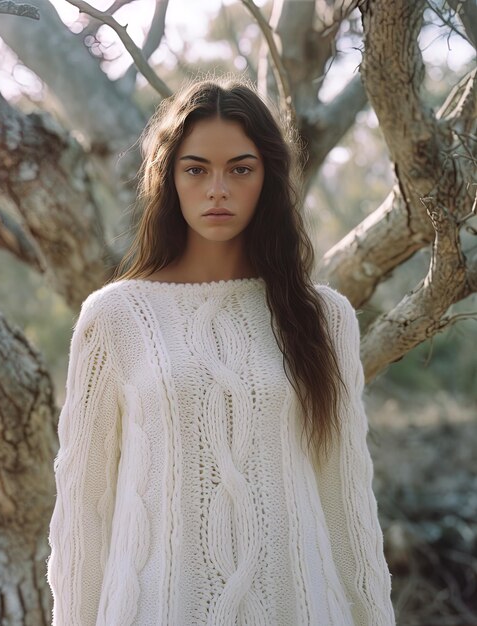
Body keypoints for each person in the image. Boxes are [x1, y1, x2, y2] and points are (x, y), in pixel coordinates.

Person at [46, 77, 395, 626]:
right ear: (168, 178)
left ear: (268, 178)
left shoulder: (323, 318)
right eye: (196, 169)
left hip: (299, 608)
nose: (217, 189)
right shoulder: (116, 316)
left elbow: (346, 500)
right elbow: (83, 514)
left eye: (240, 168)